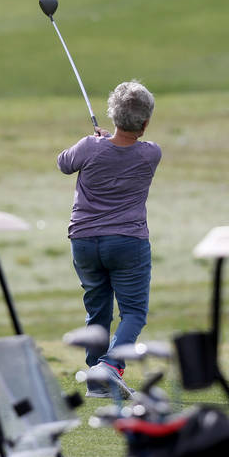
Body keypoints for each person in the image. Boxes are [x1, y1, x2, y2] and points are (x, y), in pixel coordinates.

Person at [57, 81, 161, 398]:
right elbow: (124, 149)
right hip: (127, 242)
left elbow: (64, 163)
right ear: (144, 124)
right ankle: (110, 367)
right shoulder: (151, 153)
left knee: (97, 310)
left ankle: (97, 377)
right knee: (133, 313)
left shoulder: (90, 146)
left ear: (113, 117)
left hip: (84, 241)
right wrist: (105, 142)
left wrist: (95, 141)